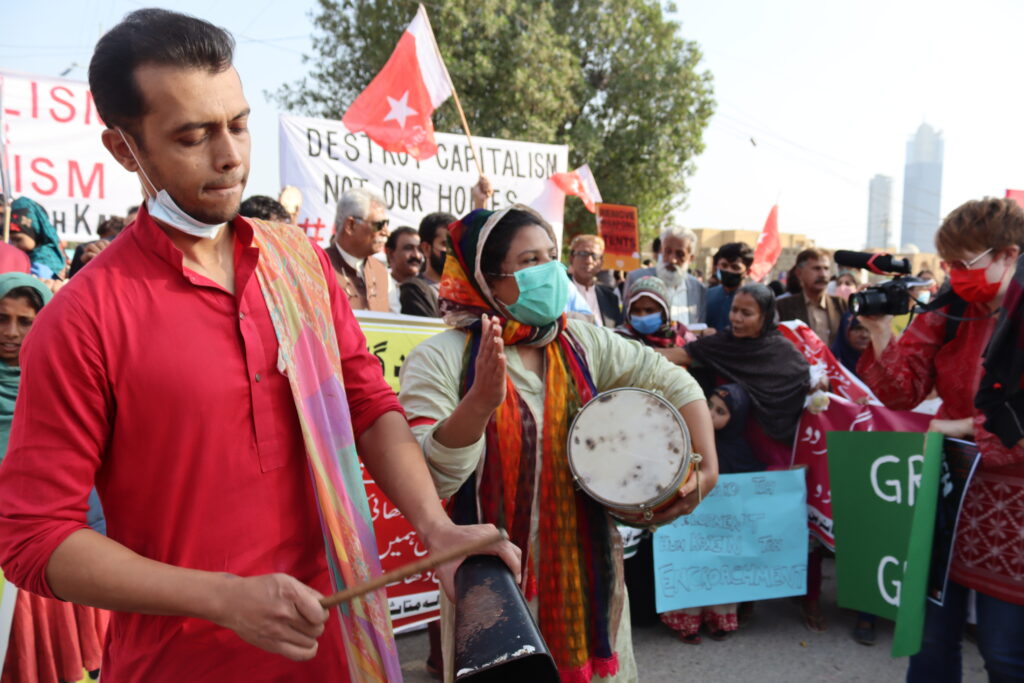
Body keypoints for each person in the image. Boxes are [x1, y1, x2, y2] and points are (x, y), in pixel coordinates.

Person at [0, 10, 517, 682]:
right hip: (179, 664)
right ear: (125, 149)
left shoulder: (293, 261)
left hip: (338, 649)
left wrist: (435, 527)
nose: (230, 157)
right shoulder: (82, 318)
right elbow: (34, 538)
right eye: (193, 136)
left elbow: (366, 400)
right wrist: (222, 597)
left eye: (238, 125)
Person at [398, 205, 718, 683]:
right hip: (494, 591)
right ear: (487, 279)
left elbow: (672, 381)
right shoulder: (440, 359)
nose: (551, 271)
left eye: (552, 256)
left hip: (588, 581)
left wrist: (706, 466)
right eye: (531, 262)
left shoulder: (584, 343)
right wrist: (479, 405)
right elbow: (434, 477)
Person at [855, 197, 1024, 682]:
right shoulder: (951, 306)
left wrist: (962, 427)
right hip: (946, 494)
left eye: (964, 262)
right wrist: (881, 329)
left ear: (1009, 254)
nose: (953, 274)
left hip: (1013, 514)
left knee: (1007, 654)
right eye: (948, 263)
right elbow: (901, 391)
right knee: (928, 644)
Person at [0, 273, 112, 683]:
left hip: (54, 558)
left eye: (26, 321)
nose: (11, 333)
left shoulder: (67, 383)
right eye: (1, 319)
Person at [660, 383, 760, 644]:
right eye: (708, 406)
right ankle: (687, 624)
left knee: (722, 572)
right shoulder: (691, 443)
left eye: (721, 411)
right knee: (693, 570)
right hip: (693, 526)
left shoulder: (740, 450)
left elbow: (752, 486)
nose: (711, 414)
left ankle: (720, 620)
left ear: (736, 419)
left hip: (725, 529)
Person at [328, 187, 391, 312]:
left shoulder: (381, 271)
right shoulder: (319, 266)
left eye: (386, 224)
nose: (387, 232)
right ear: (351, 225)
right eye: (379, 225)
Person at [627, 225, 705, 325]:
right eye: (667, 252)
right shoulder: (637, 279)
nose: (672, 259)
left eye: (680, 254)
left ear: (691, 258)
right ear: (660, 251)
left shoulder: (698, 288)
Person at [777, 248, 847, 345]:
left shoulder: (841, 305)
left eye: (826, 268)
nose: (823, 274)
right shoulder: (783, 307)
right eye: (816, 268)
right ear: (799, 273)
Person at [614, 275, 687, 347]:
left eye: (649, 310)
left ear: (664, 311)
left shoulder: (680, 333)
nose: (642, 316)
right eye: (635, 310)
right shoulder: (619, 340)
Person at [568, 234, 621, 327]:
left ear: (601, 262)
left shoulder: (610, 297)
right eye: (583, 254)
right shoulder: (561, 292)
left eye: (594, 256)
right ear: (571, 258)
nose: (589, 261)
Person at [8, 197, 67, 280]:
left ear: (35, 232)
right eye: (11, 241)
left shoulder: (44, 260)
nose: (13, 245)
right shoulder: (29, 255)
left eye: (18, 239)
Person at [705, 242, 753, 332]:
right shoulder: (707, 294)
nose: (728, 270)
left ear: (747, 272)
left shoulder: (754, 300)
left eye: (735, 267)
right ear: (716, 267)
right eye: (724, 265)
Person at [384, 225, 421, 314]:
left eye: (420, 249)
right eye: (408, 248)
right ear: (391, 254)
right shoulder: (380, 286)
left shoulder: (426, 289)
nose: (416, 255)